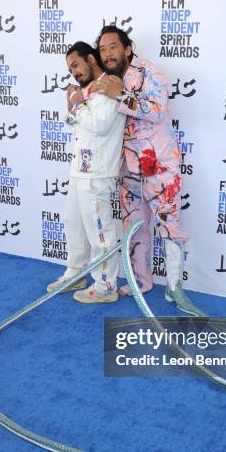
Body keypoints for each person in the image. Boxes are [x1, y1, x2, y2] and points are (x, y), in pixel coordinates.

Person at [94, 25, 189, 310]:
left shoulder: (151, 72)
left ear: (127, 48)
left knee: (169, 228)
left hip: (160, 168)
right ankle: (140, 282)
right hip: (128, 171)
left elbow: (158, 111)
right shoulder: (105, 80)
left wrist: (120, 95)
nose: (107, 53)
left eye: (113, 46)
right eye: (102, 49)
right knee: (134, 228)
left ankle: (175, 289)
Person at [46, 41, 126, 303]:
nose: (74, 72)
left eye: (76, 65)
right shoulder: (88, 90)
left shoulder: (109, 86)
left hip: (98, 173)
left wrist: (78, 105)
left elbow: (101, 125)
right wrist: (75, 105)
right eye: (70, 69)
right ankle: (76, 272)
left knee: (99, 230)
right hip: (79, 170)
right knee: (74, 225)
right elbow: (76, 123)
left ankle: (105, 287)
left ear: (91, 59)